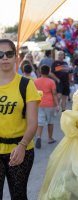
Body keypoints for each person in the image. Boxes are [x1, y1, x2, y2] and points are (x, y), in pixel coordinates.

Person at [0, 39, 40, 199]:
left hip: (20, 148)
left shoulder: (26, 85)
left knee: (18, 195)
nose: (4, 58)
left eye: (9, 54)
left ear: (16, 57)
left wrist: (22, 146)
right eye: (0, 54)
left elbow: (33, 123)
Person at [34, 65, 59, 149]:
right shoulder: (51, 82)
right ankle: (50, 138)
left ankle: (38, 137)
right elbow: (54, 93)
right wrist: (57, 105)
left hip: (39, 103)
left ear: (40, 72)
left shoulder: (35, 81)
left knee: (40, 122)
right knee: (50, 121)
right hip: (49, 103)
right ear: (49, 72)